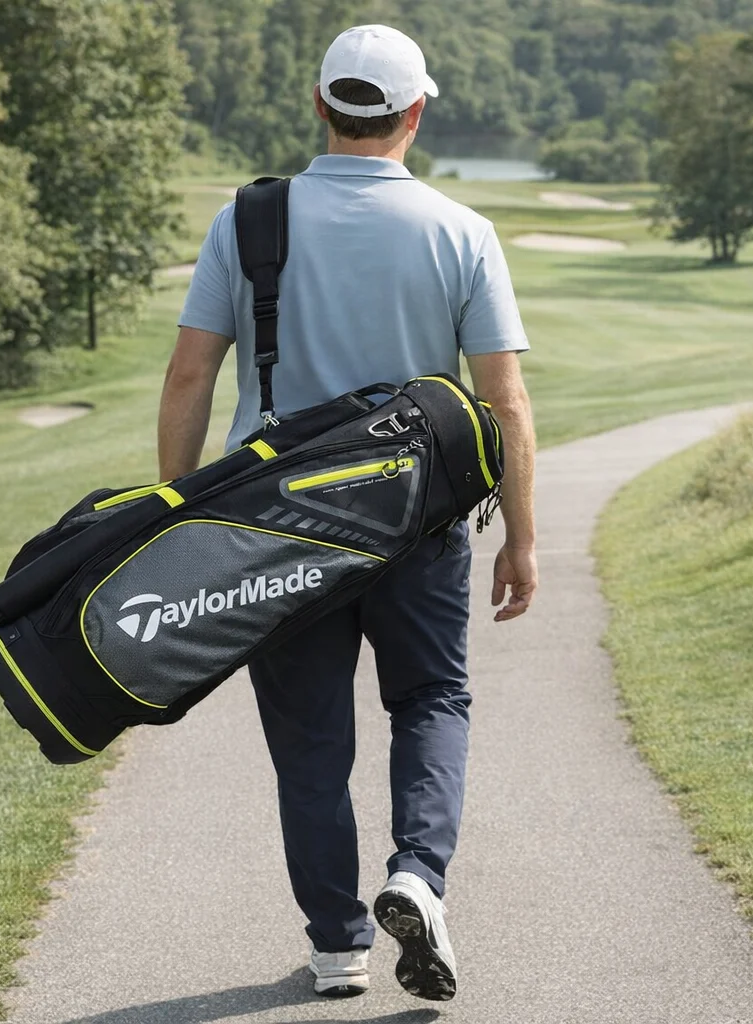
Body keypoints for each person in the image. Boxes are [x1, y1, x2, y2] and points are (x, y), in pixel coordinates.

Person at [158, 23, 537, 1004]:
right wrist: (523, 536)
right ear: (416, 113)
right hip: (420, 521)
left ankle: (337, 947)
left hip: (277, 527)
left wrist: (176, 519)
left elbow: (191, 376)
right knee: (431, 699)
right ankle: (418, 877)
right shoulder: (460, 230)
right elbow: (503, 403)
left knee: (309, 739)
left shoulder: (248, 220)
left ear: (320, 106)